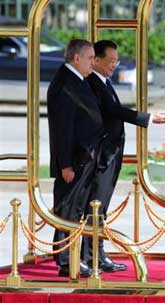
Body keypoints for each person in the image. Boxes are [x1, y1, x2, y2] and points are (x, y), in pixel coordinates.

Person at [81, 40, 165, 272]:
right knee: (95, 208)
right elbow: (113, 111)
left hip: (110, 155)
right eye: (110, 61)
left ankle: (97, 255)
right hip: (100, 157)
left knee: (100, 209)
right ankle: (90, 257)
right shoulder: (92, 83)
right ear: (96, 60)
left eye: (116, 61)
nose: (114, 65)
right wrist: (147, 118)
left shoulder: (105, 82)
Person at [47, 39, 107, 278]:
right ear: (77, 58)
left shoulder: (76, 80)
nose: (94, 62)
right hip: (73, 162)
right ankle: (65, 261)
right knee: (67, 211)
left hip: (83, 158)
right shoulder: (65, 84)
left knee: (76, 210)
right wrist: (66, 165)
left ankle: (73, 257)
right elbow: (63, 130)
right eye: (91, 57)